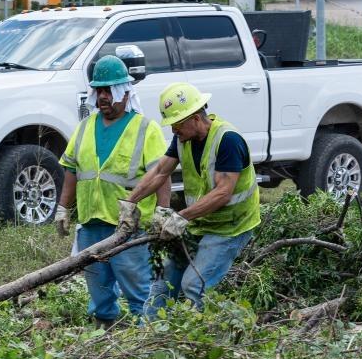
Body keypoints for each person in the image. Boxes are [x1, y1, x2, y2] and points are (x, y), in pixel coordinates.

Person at [125, 82, 260, 315]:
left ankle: (197, 339)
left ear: (195, 117)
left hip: (230, 228)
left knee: (194, 284)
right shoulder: (182, 140)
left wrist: (180, 217)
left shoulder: (227, 140)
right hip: (199, 224)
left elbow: (222, 193)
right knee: (163, 282)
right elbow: (160, 172)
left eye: (177, 124)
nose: (173, 130)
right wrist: (130, 202)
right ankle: (147, 336)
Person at [54, 55, 169, 326]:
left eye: (109, 90)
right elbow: (71, 170)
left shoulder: (144, 128)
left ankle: (147, 333)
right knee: (98, 286)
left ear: (124, 93)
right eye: (100, 91)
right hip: (91, 222)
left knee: (136, 285)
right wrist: (63, 208)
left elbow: (162, 174)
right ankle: (104, 329)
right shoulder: (84, 128)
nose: (104, 97)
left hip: (128, 225)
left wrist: (163, 211)